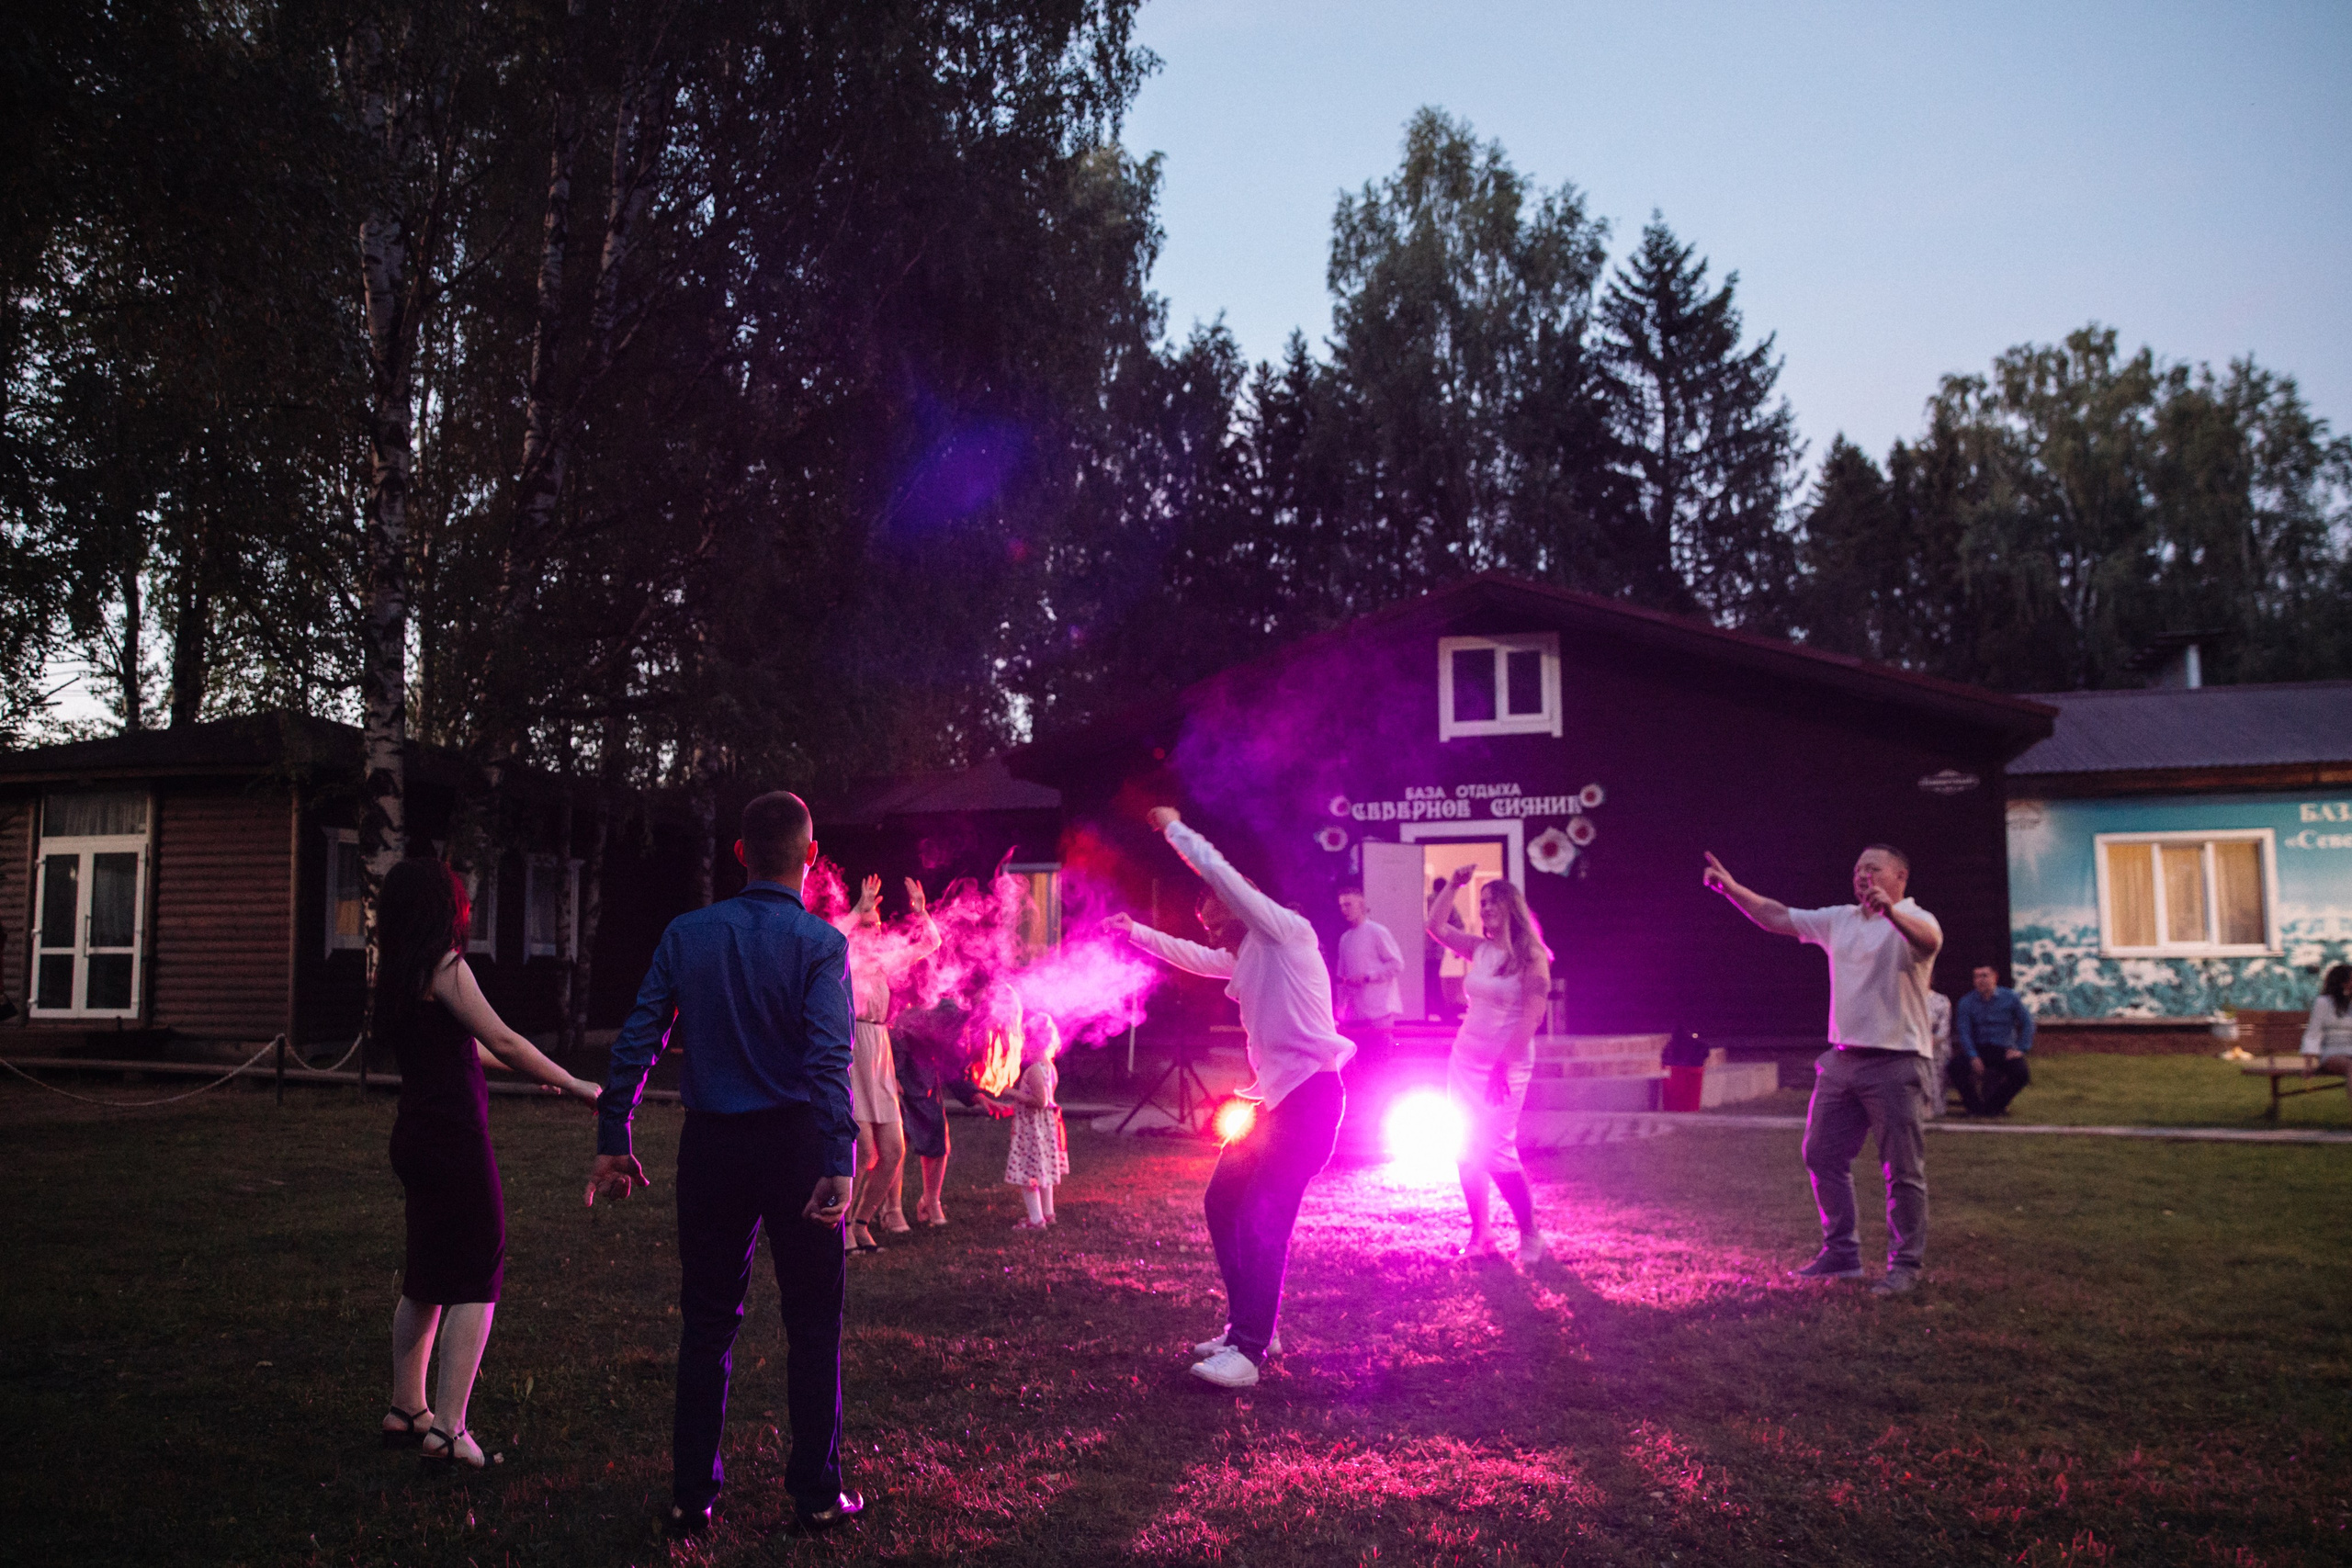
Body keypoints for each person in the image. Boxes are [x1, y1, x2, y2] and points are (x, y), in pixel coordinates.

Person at [588, 791, 864, 1540]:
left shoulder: (688, 933)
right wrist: (839, 1154)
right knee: (812, 1322)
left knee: (708, 1322)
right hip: (797, 1145)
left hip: (712, 1147)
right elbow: (829, 1057)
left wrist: (617, 1128)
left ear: (741, 853)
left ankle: (690, 1496)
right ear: (811, 855)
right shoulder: (821, 945)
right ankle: (814, 1492)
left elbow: (638, 1037)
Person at [1108, 807, 1354, 1390]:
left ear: (1240, 910)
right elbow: (1195, 958)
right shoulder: (1247, 954)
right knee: (1223, 1204)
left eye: (1215, 921)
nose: (1210, 931)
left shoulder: (1285, 933)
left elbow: (1219, 874)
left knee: (1265, 1220)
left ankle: (1248, 1351)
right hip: (1274, 1107)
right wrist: (1135, 933)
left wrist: (1173, 829)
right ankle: (1250, 1325)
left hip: (1311, 1101)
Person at [377, 858, 603, 1469]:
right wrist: (580, 1083)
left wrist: (541, 1078)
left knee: (425, 1273)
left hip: (416, 1136)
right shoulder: (448, 968)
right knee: (479, 1268)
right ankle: (449, 1429)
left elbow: (468, 1044)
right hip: (454, 1139)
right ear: (444, 909)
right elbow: (503, 1038)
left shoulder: (399, 973)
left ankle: (407, 1406)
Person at [1703, 844, 1942, 1297]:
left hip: (1896, 1062)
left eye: (1873, 869)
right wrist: (1731, 890)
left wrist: (1891, 913)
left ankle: (1905, 1265)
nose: (1862, 876)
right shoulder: (1840, 921)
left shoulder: (1917, 919)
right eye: (1857, 869)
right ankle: (1842, 1254)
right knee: (1821, 1154)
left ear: (1900, 877)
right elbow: (1776, 916)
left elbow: (1928, 943)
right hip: (1842, 1061)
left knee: (1902, 1169)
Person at [1425, 864, 1554, 1264]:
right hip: (1465, 1060)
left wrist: (1503, 1063)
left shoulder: (1531, 957)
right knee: (1465, 1147)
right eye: (1481, 904)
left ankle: (1530, 1236)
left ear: (1510, 906)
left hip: (1506, 1065)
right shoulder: (1480, 950)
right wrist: (1453, 884)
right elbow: (1436, 926)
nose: (1485, 910)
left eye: (1492, 902)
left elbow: (1532, 1016)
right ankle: (1481, 1236)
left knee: (1496, 1149)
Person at [839, 874, 940, 1252]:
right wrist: (857, 910)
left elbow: (931, 942)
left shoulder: (884, 961)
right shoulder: (841, 958)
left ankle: (862, 1221)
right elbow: (833, 934)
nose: (873, 931)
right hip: (851, 1051)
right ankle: (842, 1226)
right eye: (867, 925)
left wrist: (920, 910)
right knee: (863, 1150)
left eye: (876, 925)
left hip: (878, 1048)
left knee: (894, 1151)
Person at [1332, 886, 1404, 1163]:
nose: (1345, 910)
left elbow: (1397, 963)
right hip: (1356, 1017)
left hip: (1379, 1013)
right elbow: (1342, 975)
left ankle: (1380, 1132)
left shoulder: (1377, 932)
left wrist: (1369, 976)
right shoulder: (1345, 939)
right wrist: (1341, 1009)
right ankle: (1362, 1134)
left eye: (1349, 904)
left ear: (1362, 904)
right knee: (1360, 1075)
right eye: (1342, 905)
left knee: (1379, 1072)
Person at [992, 1021, 1068, 1228]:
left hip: (1032, 1130)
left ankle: (1036, 1220)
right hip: (1044, 1128)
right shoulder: (1049, 1068)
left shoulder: (1034, 1070)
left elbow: (1039, 1101)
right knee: (1043, 1172)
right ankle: (1048, 1213)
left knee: (1028, 1173)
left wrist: (1009, 1091)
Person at [1953, 964, 2035, 1116]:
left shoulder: (2010, 998)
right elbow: (1964, 1031)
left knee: (2021, 1074)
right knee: (1955, 1067)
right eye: (1976, 977)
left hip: (2003, 1049)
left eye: (1984, 976)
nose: (1980, 980)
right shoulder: (1967, 1002)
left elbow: (2028, 1023)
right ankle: (1974, 1107)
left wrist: (2021, 1048)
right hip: (1980, 1049)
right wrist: (1973, 1055)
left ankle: (1994, 1106)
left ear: (1994, 977)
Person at [2301, 963, 2352, 1074]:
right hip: (2332, 1053)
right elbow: (2313, 1033)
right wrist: (2308, 1064)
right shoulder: (2323, 1003)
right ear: (2343, 983)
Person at [1925, 988, 1954, 1119]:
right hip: (1912, 1044)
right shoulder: (1905, 997)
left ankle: (1935, 1107)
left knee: (1933, 1061)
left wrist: (1928, 1042)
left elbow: (1943, 1030)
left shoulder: (1941, 1001)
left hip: (1936, 1047)